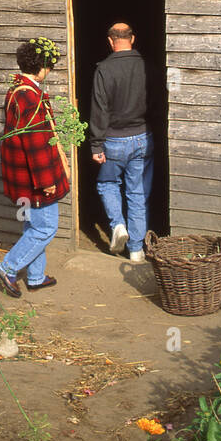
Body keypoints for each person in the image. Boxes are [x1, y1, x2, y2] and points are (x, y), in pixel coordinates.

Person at [0, 37, 70, 298]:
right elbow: (36, 142)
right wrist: (47, 180)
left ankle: (35, 277)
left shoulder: (19, 89)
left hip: (23, 177)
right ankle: (8, 268)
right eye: (50, 65)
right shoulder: (29, 96)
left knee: (32, 226)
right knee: (45, 228)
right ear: (42, 66)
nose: (49, 71)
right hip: (35, 178)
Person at [89, 22, 154, 263]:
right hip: (142, 137)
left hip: (114, 139)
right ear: (133, 39)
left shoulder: (104, 70)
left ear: (110, 41)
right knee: (137, 193)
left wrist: (96, 144)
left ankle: (118, 226)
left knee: (107, 183)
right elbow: (157, 102)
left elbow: (99, 109)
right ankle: (136, 251)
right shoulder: (147, 66)